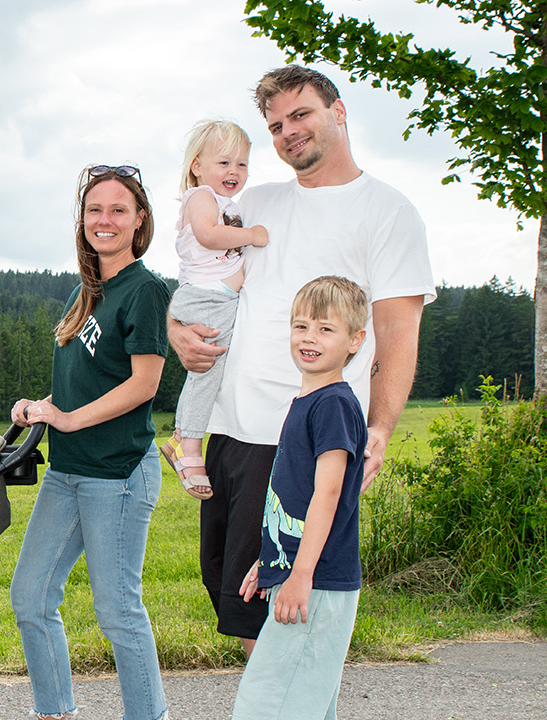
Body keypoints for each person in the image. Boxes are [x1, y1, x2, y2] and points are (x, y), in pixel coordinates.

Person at [169, 65, 434, 657]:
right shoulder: (250, 202)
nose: (288, 132)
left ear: (338, 112)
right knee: (231, 599)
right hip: (230, 431)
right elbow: (201, 279)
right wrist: (176, 330)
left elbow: (398, 331)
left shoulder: (388, 211)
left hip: (305, 439)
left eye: (301, 115)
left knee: (281, 617)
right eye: (275, 124)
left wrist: (382, 429)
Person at [10, 164, 174, 720]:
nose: (104, 220)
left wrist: (74, 419)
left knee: (118, 612)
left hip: (118, 472)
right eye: (94, 210)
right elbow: (84, 378)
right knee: (31, 597)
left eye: (117, 210)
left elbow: (145, 382)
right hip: (67, 470)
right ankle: (55, 711)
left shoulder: (145, 290)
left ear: (139, 220)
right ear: (82, 220)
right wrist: (39, 409)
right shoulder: (88, 291)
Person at [230, 275, 371, 719]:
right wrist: (271, 561)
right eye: (301, 326)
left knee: (266, 706)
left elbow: (327, 495)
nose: (310, 338)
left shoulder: (333, 405)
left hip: (318, 581)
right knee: (305, 705)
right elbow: (291, 497)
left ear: (355, 340)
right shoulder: (308, 400)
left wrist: (301, 574)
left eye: (326, 329)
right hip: (301, 574)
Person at [156, 119, 270, 500]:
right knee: (208, 370)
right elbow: (208, 234)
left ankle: (179, 438)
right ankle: (188, 447)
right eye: (224, 163)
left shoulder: (229, 203)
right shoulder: (201, 197)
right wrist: (252, 236)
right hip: (207, 296)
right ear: (197, 166)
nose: (234, 172)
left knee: (217, 368)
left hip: (215, 297)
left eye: (242, 164)